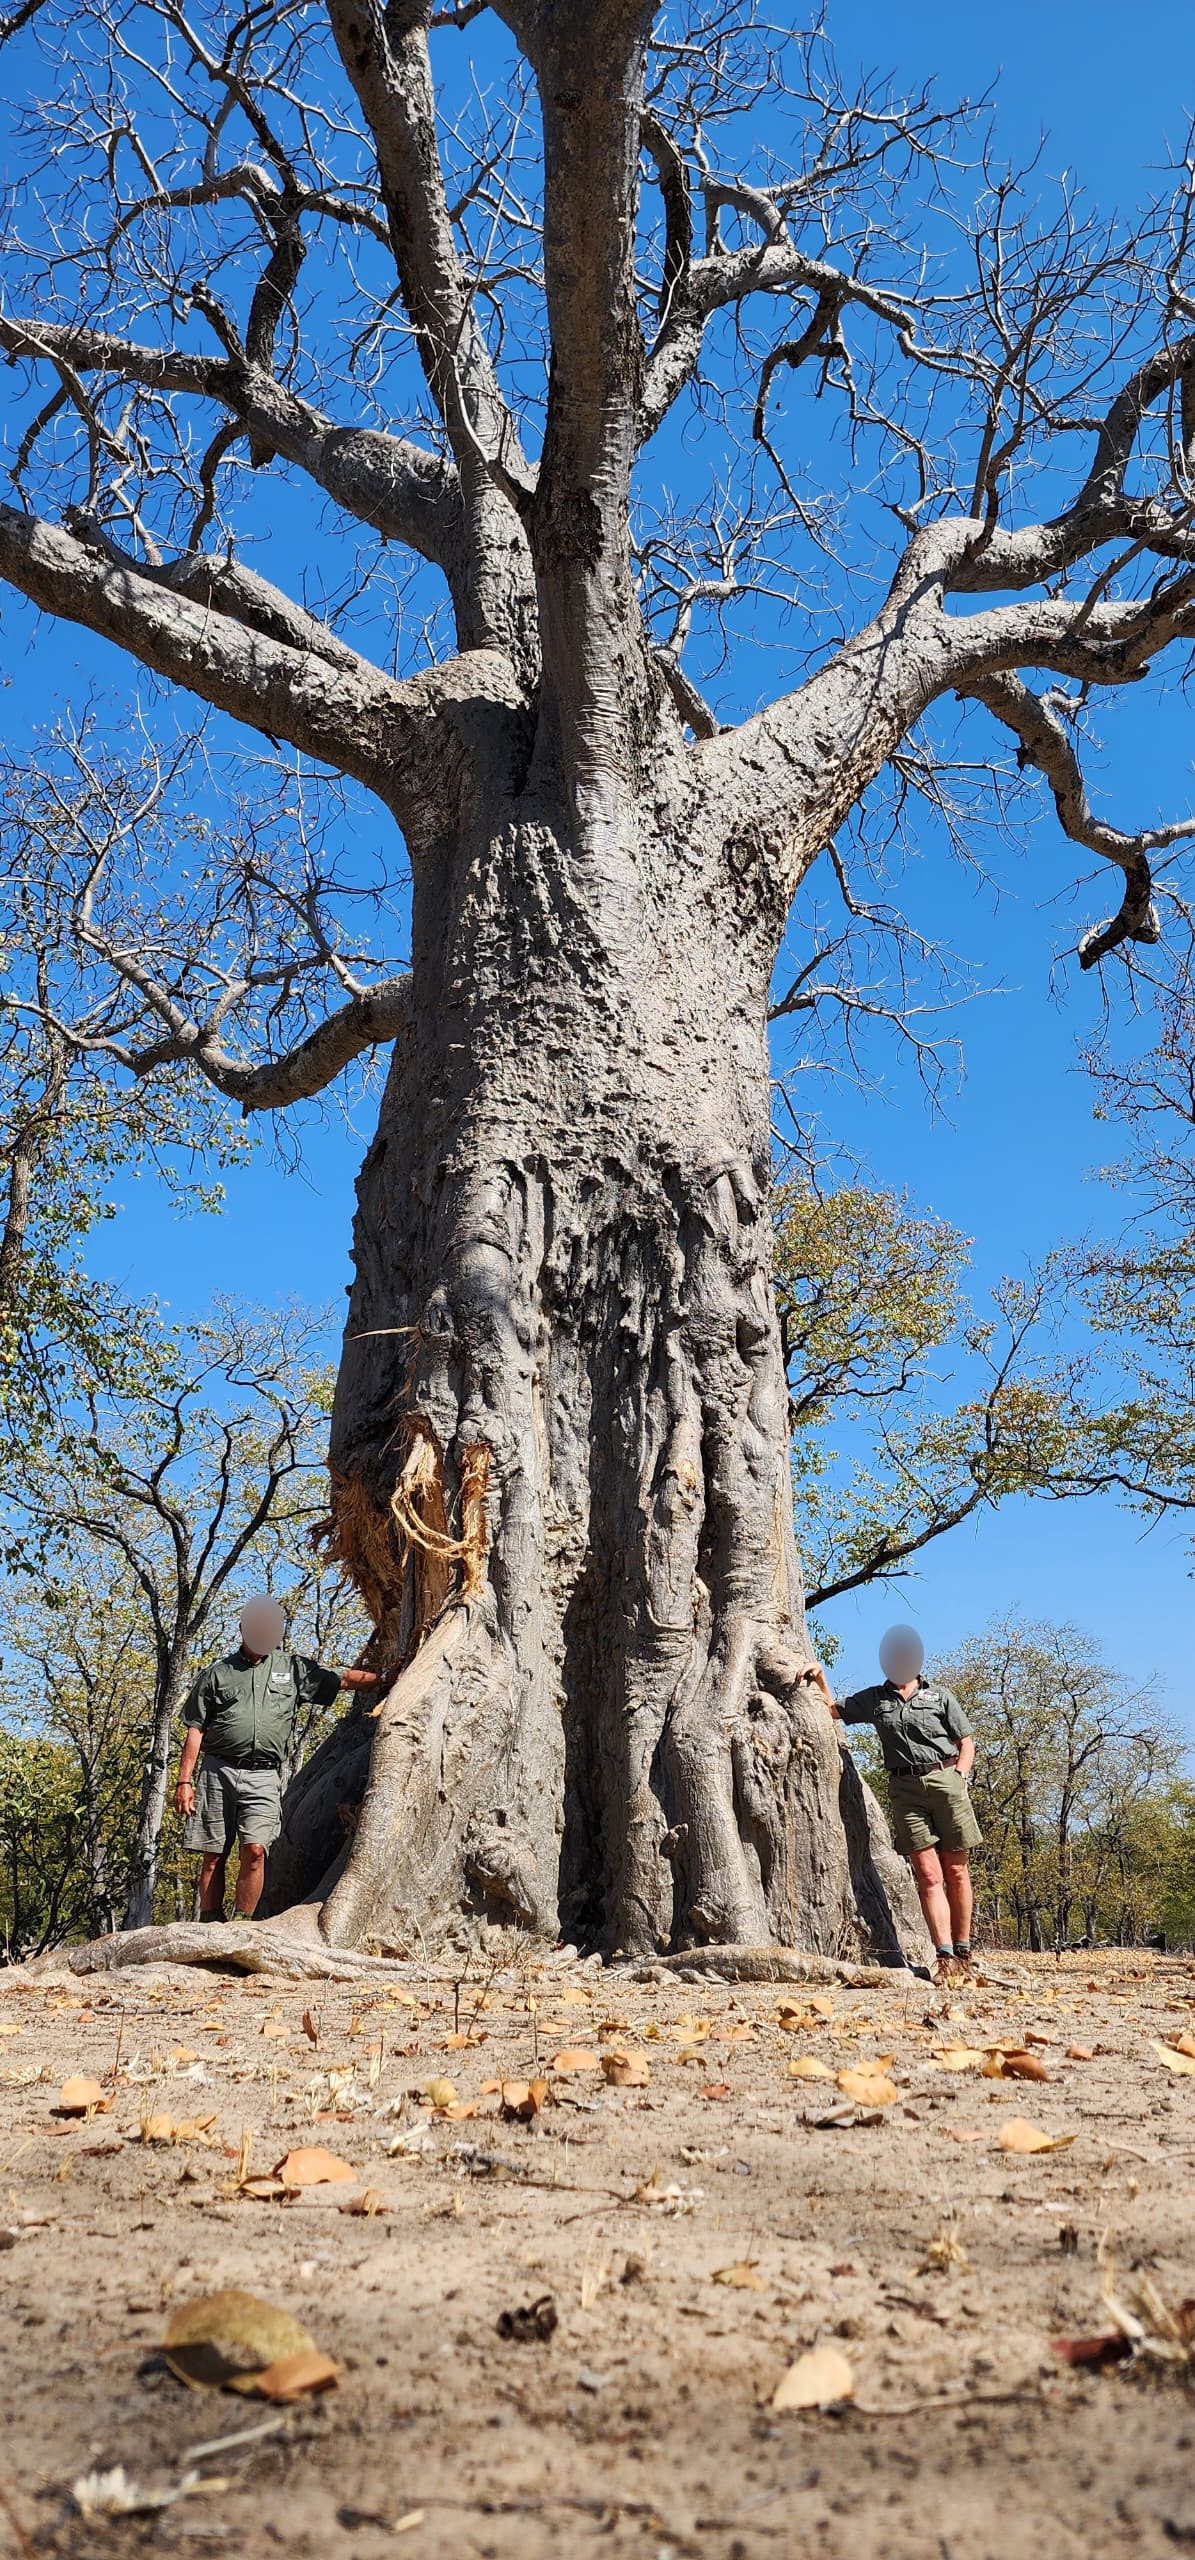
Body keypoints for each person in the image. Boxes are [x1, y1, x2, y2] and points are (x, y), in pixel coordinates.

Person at [174, 1597, 380, 1921]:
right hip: (218, 1771)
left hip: (264, 1776)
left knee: (256, 1851)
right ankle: (209, 1920)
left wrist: (385, 1679)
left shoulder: (292, 1668)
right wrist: (184, 1782)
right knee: (213, 1854)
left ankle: (243, 1923)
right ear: (242, 1629)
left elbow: (339, 1679)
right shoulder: (217, 1674)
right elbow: (195, 1729)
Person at [803, 1625, 981, 1973]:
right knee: (928, 1874)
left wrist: (960, 1776)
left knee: (956, 1870)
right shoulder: (875, 1699)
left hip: (946, 1782)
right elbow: (832, 1710)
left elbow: (966, 1743)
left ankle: (964, 1952)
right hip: (905, 1790)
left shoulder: (940, 1696)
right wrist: (821, 1677)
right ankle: (944, 1957)